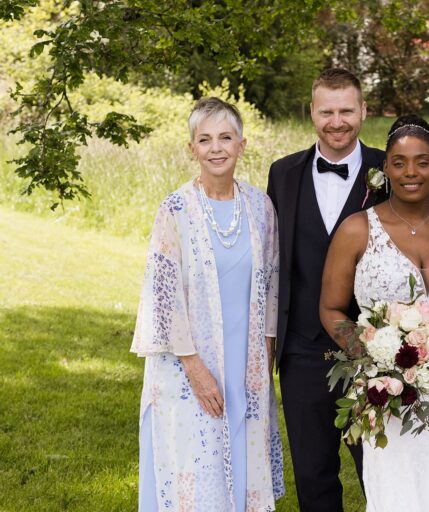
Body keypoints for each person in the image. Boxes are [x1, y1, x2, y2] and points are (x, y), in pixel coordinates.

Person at [319, 114, 429, 511]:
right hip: (385, 390)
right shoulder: (357, 230)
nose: (411, 172)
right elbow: (331, 307)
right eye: (400, 162)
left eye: (422, 161)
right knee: (394, 486)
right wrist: (375, 361)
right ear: (385, 167)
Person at [131, 97, 283, 512]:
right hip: (188, 366)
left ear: (242, 144)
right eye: (205, 139)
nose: (216, 148)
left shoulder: (260, 208)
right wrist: (195, 369)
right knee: (194, 472)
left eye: (225, 137)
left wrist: (265, 362)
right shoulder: (175, 209)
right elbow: (163, 296)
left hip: (245, 365)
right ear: (191, 148)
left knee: (241, 464)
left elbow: (270, 286)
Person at [266, 68, 386, 511]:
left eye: (347, 111)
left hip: (375, 354)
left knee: (381, 473)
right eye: (327, 112)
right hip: (301, 352)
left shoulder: (391, 169)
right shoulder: (283, 174)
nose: (338, 122)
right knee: (313, 478)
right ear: (312, 113)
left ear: (364, 111)